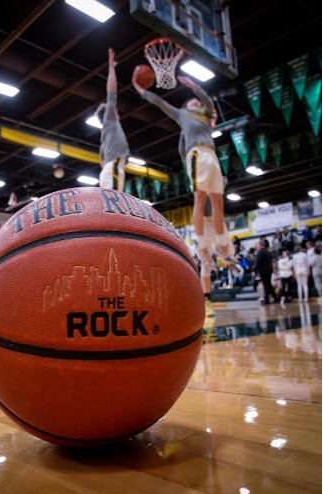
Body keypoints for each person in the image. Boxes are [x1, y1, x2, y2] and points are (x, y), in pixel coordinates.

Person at [132, 73, 231, 267]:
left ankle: (221, 241)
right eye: (192, 101)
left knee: (218, 201)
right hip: (196, 155)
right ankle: (202, 243)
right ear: (186, 106)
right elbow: (161, 103)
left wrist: (194, 86)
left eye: (197, 101)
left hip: (211, 154)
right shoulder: (182, 114)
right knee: (200, 198)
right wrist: (143, 92)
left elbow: (207, 101)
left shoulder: (206, 114)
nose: (195, 101)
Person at [97, 48, 130, 192]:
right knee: (115, 205)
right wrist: (111, 68)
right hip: (113, 167)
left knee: (109, 205)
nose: (115, 109)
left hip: (109, 169)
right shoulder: (109, 119)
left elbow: (101, 160)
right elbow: (112, 93)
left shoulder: (105, 136)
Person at [252, 241, 277, 305]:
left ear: (260, 245)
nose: (256, 247)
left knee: (266, 285)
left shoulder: (260, 253)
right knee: (268, 284)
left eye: (257, 245)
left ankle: (267, 299)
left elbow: (257, 262)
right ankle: (275, 297)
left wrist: (254, 270)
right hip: (269, 270)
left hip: (263, 271)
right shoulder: (268, 252)